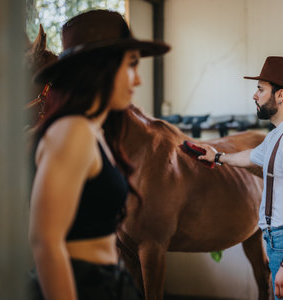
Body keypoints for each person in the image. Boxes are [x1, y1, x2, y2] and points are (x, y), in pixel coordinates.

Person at [28, 10, 170, 300]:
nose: (138, 79)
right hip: (86, 285)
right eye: (131, 65)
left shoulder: (92, 129)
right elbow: (45, 242)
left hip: (107, 283)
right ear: (100, 68)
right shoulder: (72, 131)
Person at [197, 56, 283, 299]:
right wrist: (218, 157)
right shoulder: (279, 135)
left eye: (260, 89)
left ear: (280, 95)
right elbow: (251, 157)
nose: (255, 96)